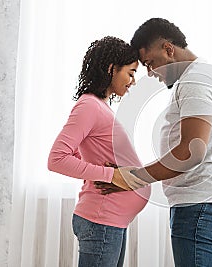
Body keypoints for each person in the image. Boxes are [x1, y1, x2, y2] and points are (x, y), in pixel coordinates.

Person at [96, 18, 212, 267]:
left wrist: (131, 179)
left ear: (168, 48)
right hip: (201, 204)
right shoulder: (195, 77)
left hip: (202, 205)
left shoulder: (196, 81)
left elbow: (190, 152)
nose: (150, 73)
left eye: (150, 63)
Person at [48, 36, 150, 267]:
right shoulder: (89, 106)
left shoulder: (99, 106)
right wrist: (110, 175)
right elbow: (57, 159)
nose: (133, 81)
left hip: (111, 220)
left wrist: (98, 170)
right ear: (111, 68)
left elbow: (79, 154)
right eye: (131, 73)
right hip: (101, 219)